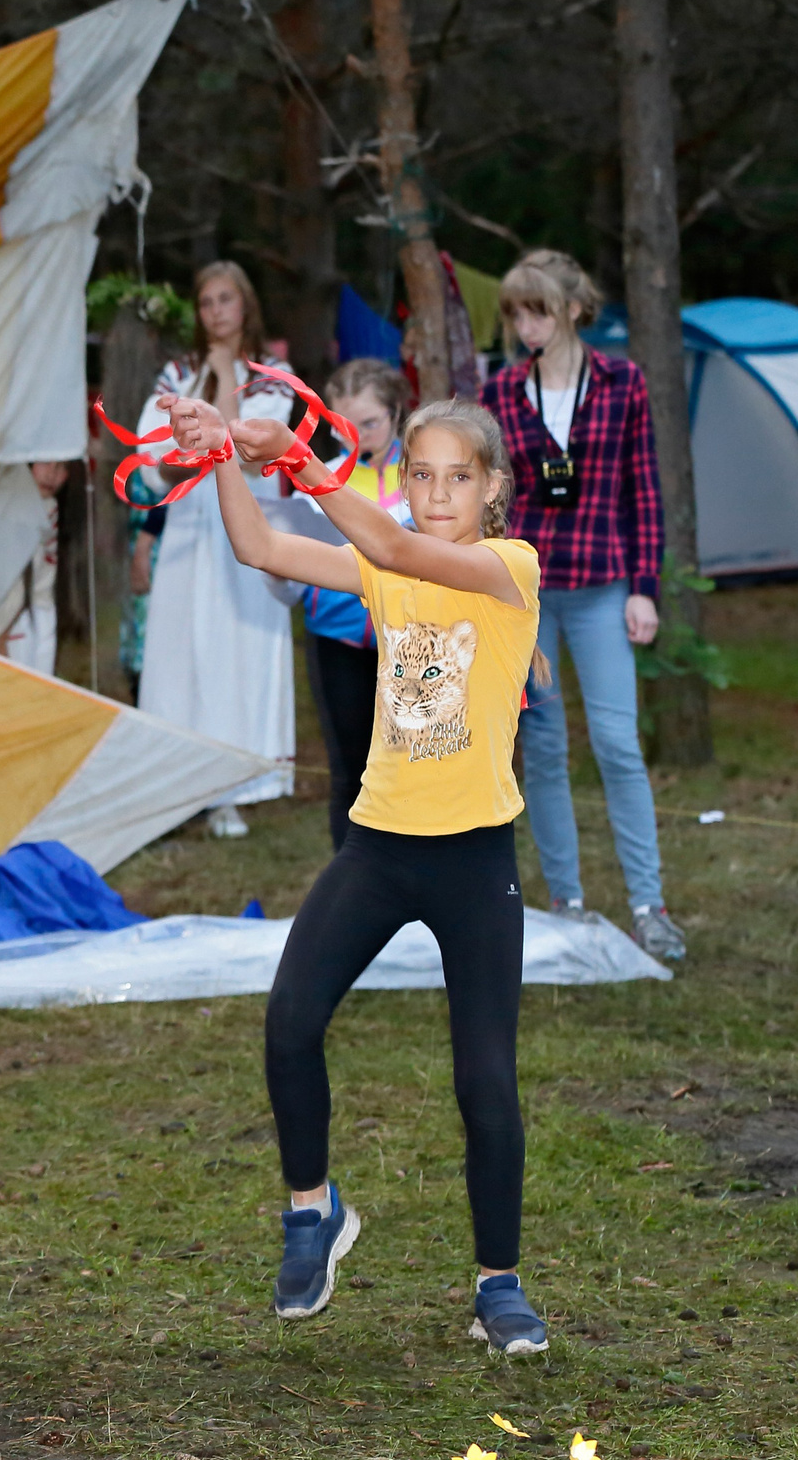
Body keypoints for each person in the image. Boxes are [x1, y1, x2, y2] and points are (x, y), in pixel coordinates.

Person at [162, 387, 553, 1356]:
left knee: (484, 1081)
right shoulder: (387, 562)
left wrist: (297, 458)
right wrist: (220, 458)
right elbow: (264, 550)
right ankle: (312, 1212)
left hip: (472, 859)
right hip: (378, 847)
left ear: (492, 488)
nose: (434, 494)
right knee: (290, 1022)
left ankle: (496, 1286)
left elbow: (398, 551)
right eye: (418, 476)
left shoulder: (507, 567)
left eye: (456, 478)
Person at [480, 249, 685, 963]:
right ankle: (565, 902)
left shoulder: (623, 382)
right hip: (526, 596)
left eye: (535, 309)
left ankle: (648, 904)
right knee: (542, 748)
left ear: (571, 308)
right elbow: (492, 496)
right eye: (514, 313)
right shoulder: (503, 392)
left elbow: (644, 492)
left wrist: (644, 588)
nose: (525, 325)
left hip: (603, 589)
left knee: (618, 744)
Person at [136, 262, 301, 836]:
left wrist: (227, 376)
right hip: (188, 529)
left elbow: (255, 452)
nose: (216, 310)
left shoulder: (274, 374)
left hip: (247, 526)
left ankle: (236, 785)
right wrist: (203, 391)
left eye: (226, 298)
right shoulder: (176, 373)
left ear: (245, 304)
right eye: (206, 301)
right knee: (182, 652)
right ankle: (177, 787)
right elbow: (156, 455)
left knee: (237, 651)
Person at [300, 359, 413, 850]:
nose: (359, 436)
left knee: (414, 765)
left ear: (396, 414)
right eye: (345, 426)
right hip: (337, 636)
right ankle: (350, 889)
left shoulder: (420, 472)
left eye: (371, 423)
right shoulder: (317, 474)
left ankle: (418, 882)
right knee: (351, 769)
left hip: (411, 638)